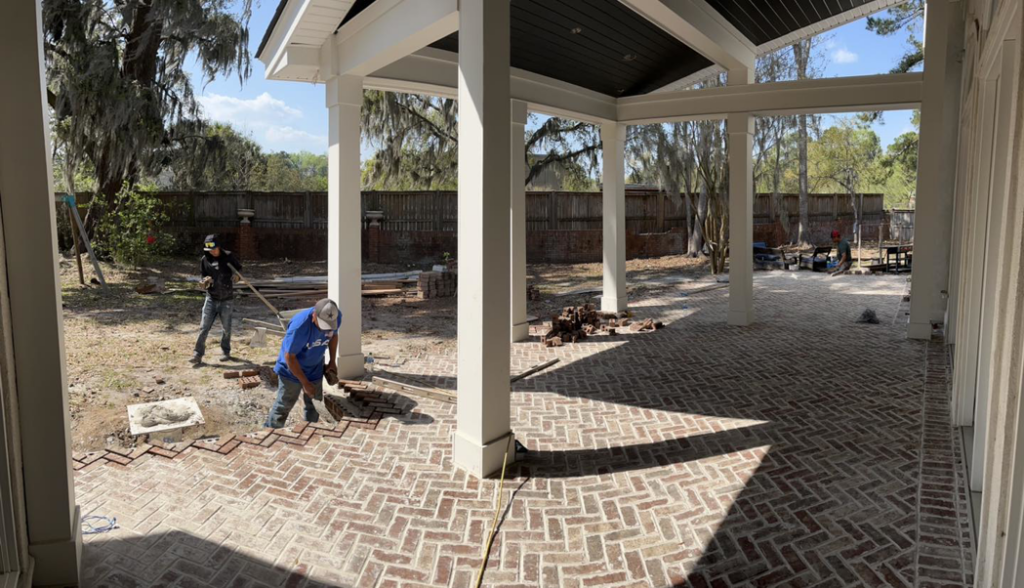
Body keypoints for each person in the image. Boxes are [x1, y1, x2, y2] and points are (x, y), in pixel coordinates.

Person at [265, 298, 341, 428]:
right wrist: (305, 383)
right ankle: (271, 432)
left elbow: (334, 336)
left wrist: (332, 361)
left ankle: (309, 431)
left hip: (315, 368)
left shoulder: (333, 317)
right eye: (322, 325)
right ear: (314, 315)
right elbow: (290, 357)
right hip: (290, 371)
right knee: (283, 406)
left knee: (315, 405)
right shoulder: (299, 326)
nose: (325, 330)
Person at [191, 234, 241, 364]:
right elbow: (203, 276)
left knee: (226, 328)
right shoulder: (205, 259)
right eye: (209, 250)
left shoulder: (228, 256)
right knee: (204, 327)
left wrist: (237, 276)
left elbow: (238, 270)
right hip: (211, 298)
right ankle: (197, 354)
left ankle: (226, 351)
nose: (212, 252)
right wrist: (205, 282)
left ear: (219, 246)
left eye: (214, 249)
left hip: (227, 299)